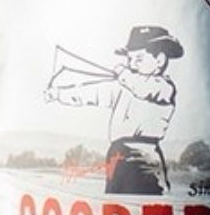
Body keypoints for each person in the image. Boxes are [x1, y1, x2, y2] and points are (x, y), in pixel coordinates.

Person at [46, 24, 184, 195]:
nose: (132, 65)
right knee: (114, 201)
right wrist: (58, 94)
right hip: (116, 154)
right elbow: (93, 93)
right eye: (129, 60)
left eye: (139, 59)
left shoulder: (163, 87)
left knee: (151, 198)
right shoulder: (124, 86)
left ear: (160, 60)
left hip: (145, 156)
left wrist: (122, 73)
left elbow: (142, 88)